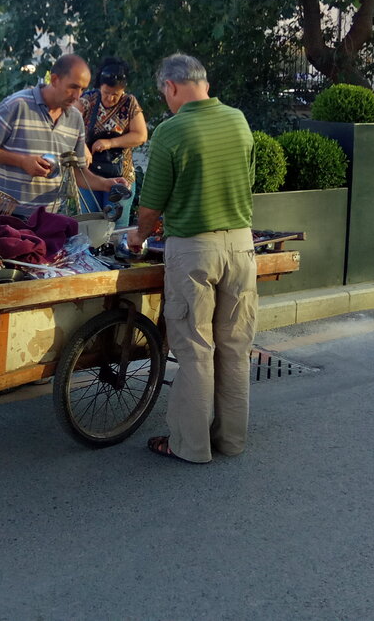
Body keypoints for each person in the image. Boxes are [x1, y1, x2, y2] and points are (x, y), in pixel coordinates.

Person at [127, 53, 257, 465]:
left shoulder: (172, 131)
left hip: (195, 251)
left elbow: (151, 205)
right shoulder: (238, 120)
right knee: (235, 347)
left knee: (196, 349)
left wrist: (138, 236)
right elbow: (245, 181)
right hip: (241, 246)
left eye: (163, 92)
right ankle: (231, 440)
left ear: (171, 86)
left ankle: (191, 446)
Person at [0, 54, 126, 217]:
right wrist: (21, 161)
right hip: (6, 217)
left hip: (47, 220)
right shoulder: (18, 105)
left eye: (82, 89)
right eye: (73, 87)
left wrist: (107, 184)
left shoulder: (75, 119)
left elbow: (78, 173)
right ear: (54, 79)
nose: (77, 96)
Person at [76, 57, 147, 224]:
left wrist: (110, 143)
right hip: (89, 174)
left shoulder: (129, 103)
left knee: (116, 226)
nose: (110, 98)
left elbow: (141, 135)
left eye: (115, 94)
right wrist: (81, 146)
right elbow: (69, 122)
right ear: (99, 86)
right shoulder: (88, 100)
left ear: (123, 89)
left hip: (120, 175)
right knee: (90, 225)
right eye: (106, 93)